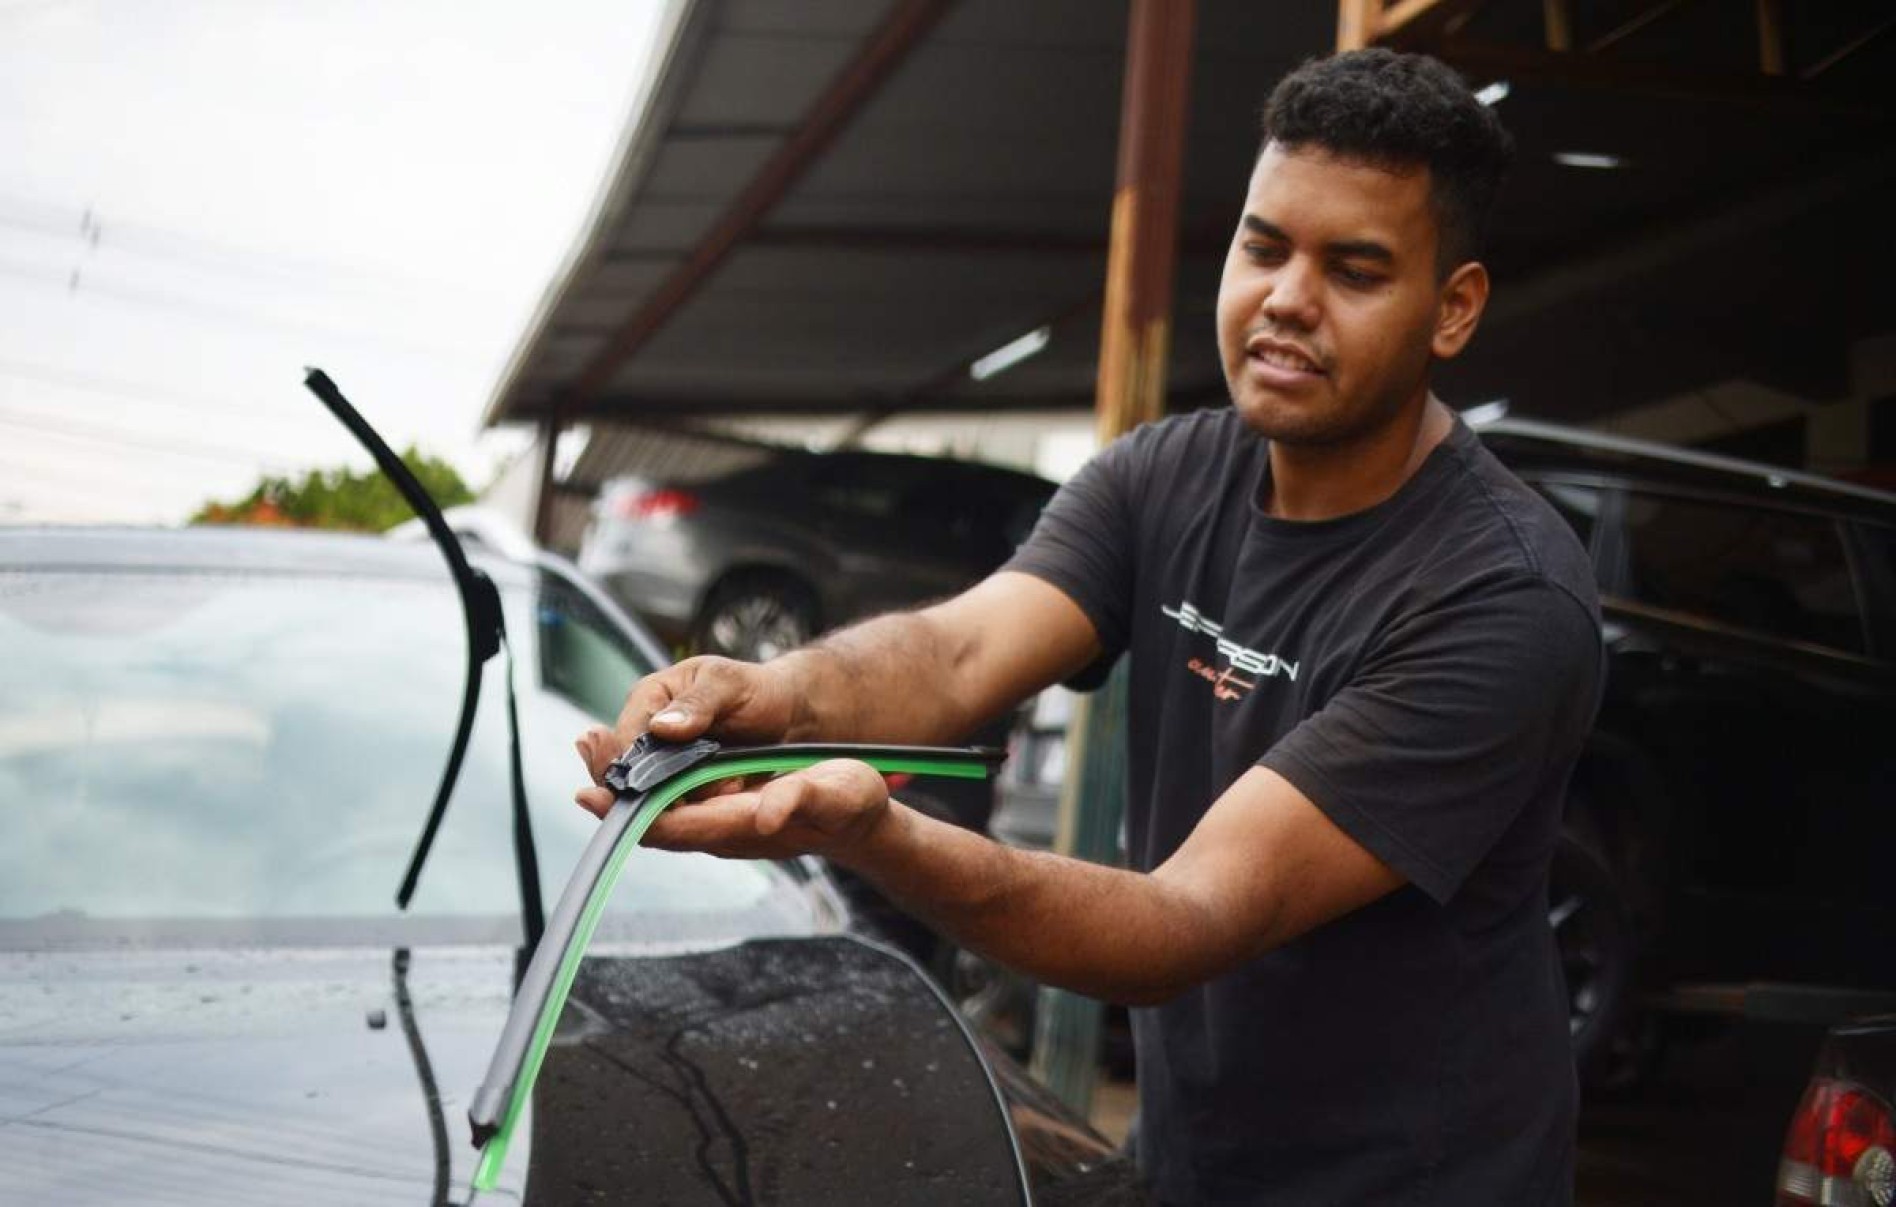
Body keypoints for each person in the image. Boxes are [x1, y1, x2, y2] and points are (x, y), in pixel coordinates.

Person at [577, 48, 1601, 1206]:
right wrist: (771, 695)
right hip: (1194, 1166)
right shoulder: (1164, 475)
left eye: (1355, 269)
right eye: (1264, 247)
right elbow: (958, 651)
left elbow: (1188, 919)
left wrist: (876, 834)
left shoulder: (1500, 595)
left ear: (1453, 307)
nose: (1287, 298)